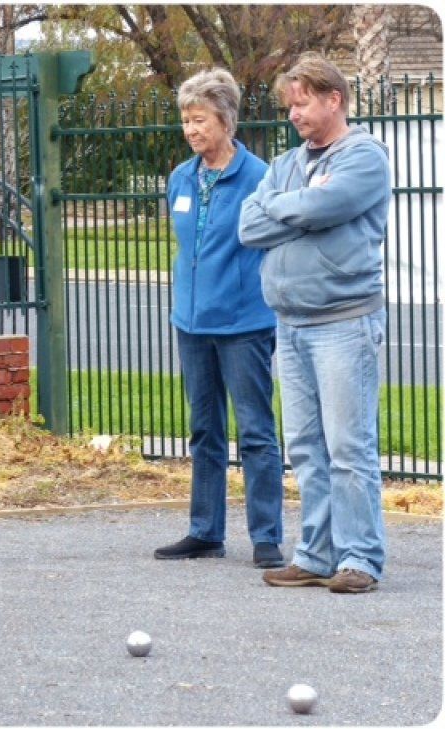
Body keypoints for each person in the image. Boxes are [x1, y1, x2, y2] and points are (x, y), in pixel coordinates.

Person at [239, 53, 390, 593]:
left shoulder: (364, 156)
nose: (295, 114)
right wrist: (297, 207)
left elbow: (327, 207)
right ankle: (316, 553)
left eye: (303, 103)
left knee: (349, 448)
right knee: (305, 446)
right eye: (290, 106)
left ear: (334, 99)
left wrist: (292, 208)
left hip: (343, 322)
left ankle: (360, 559)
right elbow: (250, 226)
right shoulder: (284, 164)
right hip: (292, 323)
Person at [154, 68, 286, 568]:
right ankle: (205, 531)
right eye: (186, 121)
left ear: (227, 120)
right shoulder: (181, 178)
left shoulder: (260, 177)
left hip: (243, 325)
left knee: (255, 431)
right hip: (191, 324)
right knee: (204, 430)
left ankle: (267, 537)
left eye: (200, 119)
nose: (191, 130)